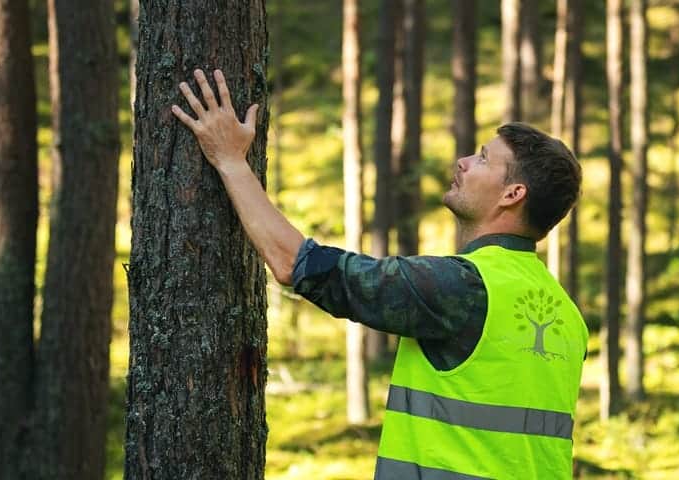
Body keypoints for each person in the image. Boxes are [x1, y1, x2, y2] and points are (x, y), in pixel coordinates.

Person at [172, 69, 588, 480]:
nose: (462, 162)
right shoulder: (568, 318)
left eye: (482, 158)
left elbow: (298, 264)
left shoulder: (461, 288)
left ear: (513, 194)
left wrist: (229, 160)